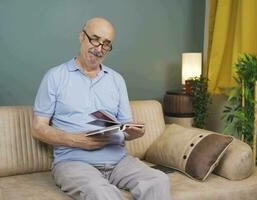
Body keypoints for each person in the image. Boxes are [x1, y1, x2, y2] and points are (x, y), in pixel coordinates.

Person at [32, 17, 172, 200]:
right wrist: (77, 140)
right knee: (102, 193)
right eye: (95, 39)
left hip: (119, 161)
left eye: (106, 44)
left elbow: (125, 127)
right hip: (74, 163)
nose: (99, 48)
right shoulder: (55, 77)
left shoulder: (116, 80)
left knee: (158, 180)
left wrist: (133, 132)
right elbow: (38, 128)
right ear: (82, 37)